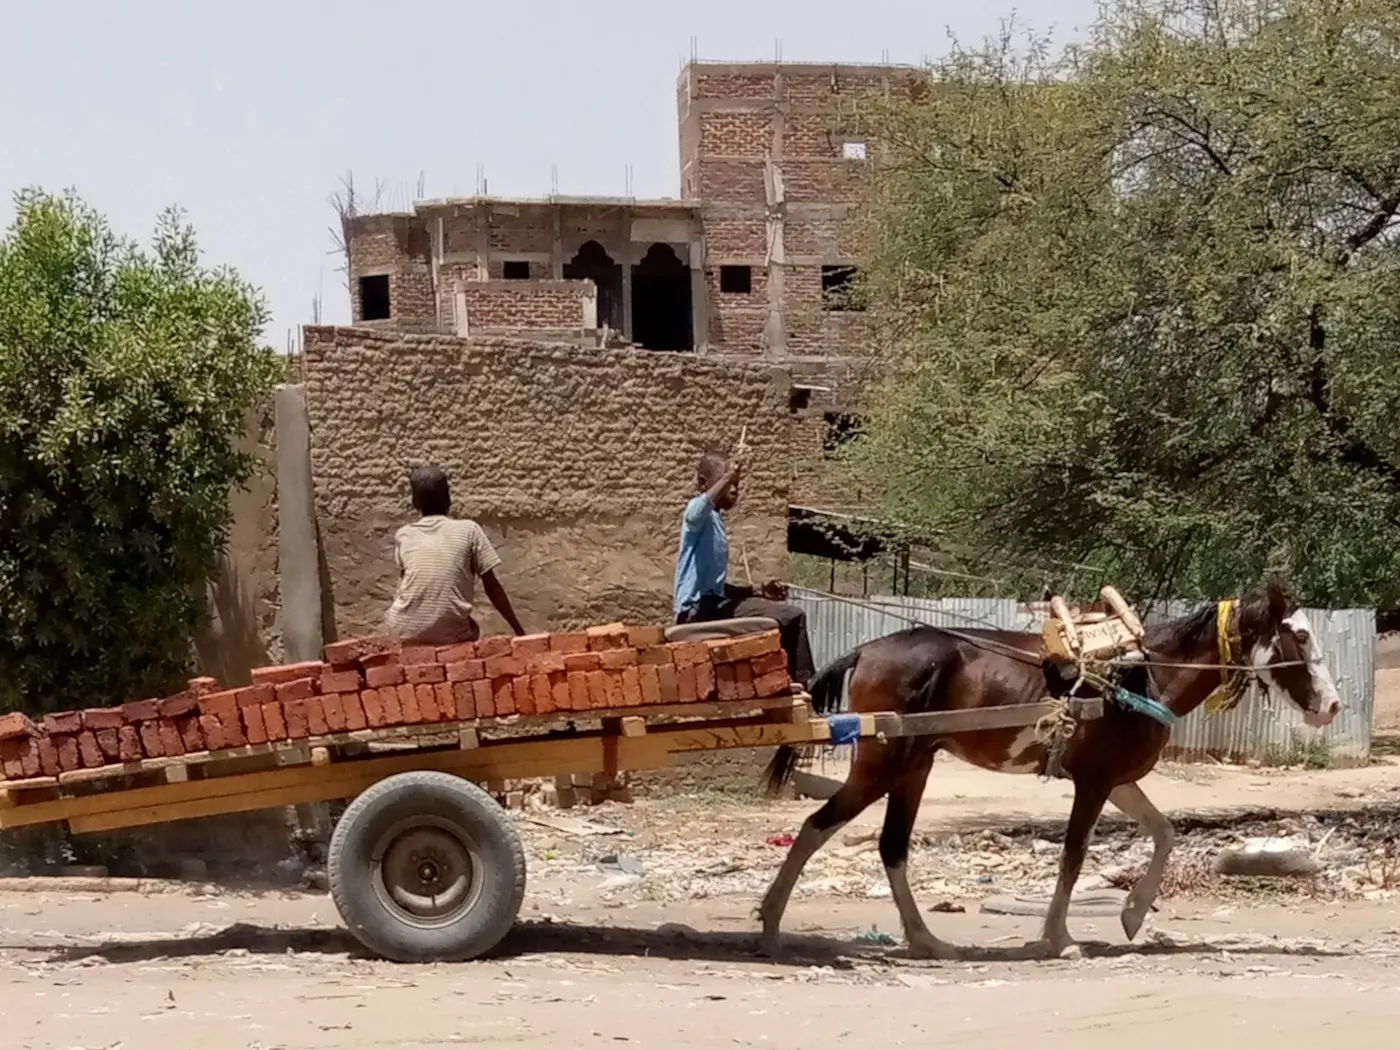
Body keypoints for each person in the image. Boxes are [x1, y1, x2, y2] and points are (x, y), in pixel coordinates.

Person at [673, 452, 815, 687]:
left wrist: (759, 590)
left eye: (737, 485)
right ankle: (803, 688)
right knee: (792, 616)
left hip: (712, 605)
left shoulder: (717, 523)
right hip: (695, 612)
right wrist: (730, 474)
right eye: (729, 484)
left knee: (785, 615)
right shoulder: (697, 517)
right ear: (702, 483)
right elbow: (698, 509)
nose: (734, 489)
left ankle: (785, 682)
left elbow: (718, 591)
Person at [385, 465, 525, 644]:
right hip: (449, 634)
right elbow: (492, 586)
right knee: (472, 629)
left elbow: (406, 584)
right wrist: (519, 632)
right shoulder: (469, 530)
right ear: (448, 498)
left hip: (401, 631)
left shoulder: (404, 535)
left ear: (415, 503)